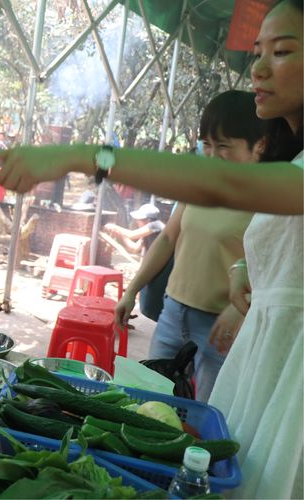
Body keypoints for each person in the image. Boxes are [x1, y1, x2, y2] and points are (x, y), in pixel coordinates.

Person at [0, 0, 302, 496]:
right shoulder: (291, 158)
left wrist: (82, 156)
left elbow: (225, 185)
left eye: (281, 52)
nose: (258, 67)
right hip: (269, 354)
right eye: (257, 51)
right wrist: (246, 266)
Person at [115, 91, 267, 402]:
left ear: (259, 146)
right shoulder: (198, 186)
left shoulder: (267, 200)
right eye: (207, 145)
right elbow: (168, 239)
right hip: (173, 313)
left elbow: (273, 268)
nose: (212, 155)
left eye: (224, 146)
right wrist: (132, 290)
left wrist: (240, 311)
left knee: (207, 409)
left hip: (221, 327)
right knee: (149, 398)